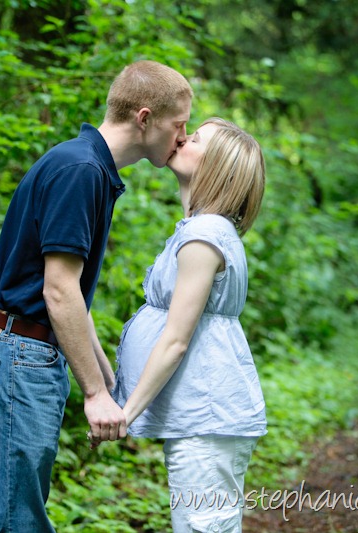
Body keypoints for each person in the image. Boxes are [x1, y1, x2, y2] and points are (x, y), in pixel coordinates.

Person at [0, 60, 193, 533]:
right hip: (15, 354)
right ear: (144, 118)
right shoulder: (81, 170)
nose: (184, 137)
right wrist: (93, 394)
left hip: (20, 352)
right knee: (13, 523)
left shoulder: (86, 165)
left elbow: (72, 298)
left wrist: (108, 384)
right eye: (179, 124)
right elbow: (59, 292)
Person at [112, 117, 267, 532]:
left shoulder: (204, 234)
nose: (182, 138)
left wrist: (124, 414)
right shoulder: (200, 229)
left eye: (195, 138)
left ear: (217, 166)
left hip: (208, 416)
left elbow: (176, 340)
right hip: (203, 417)